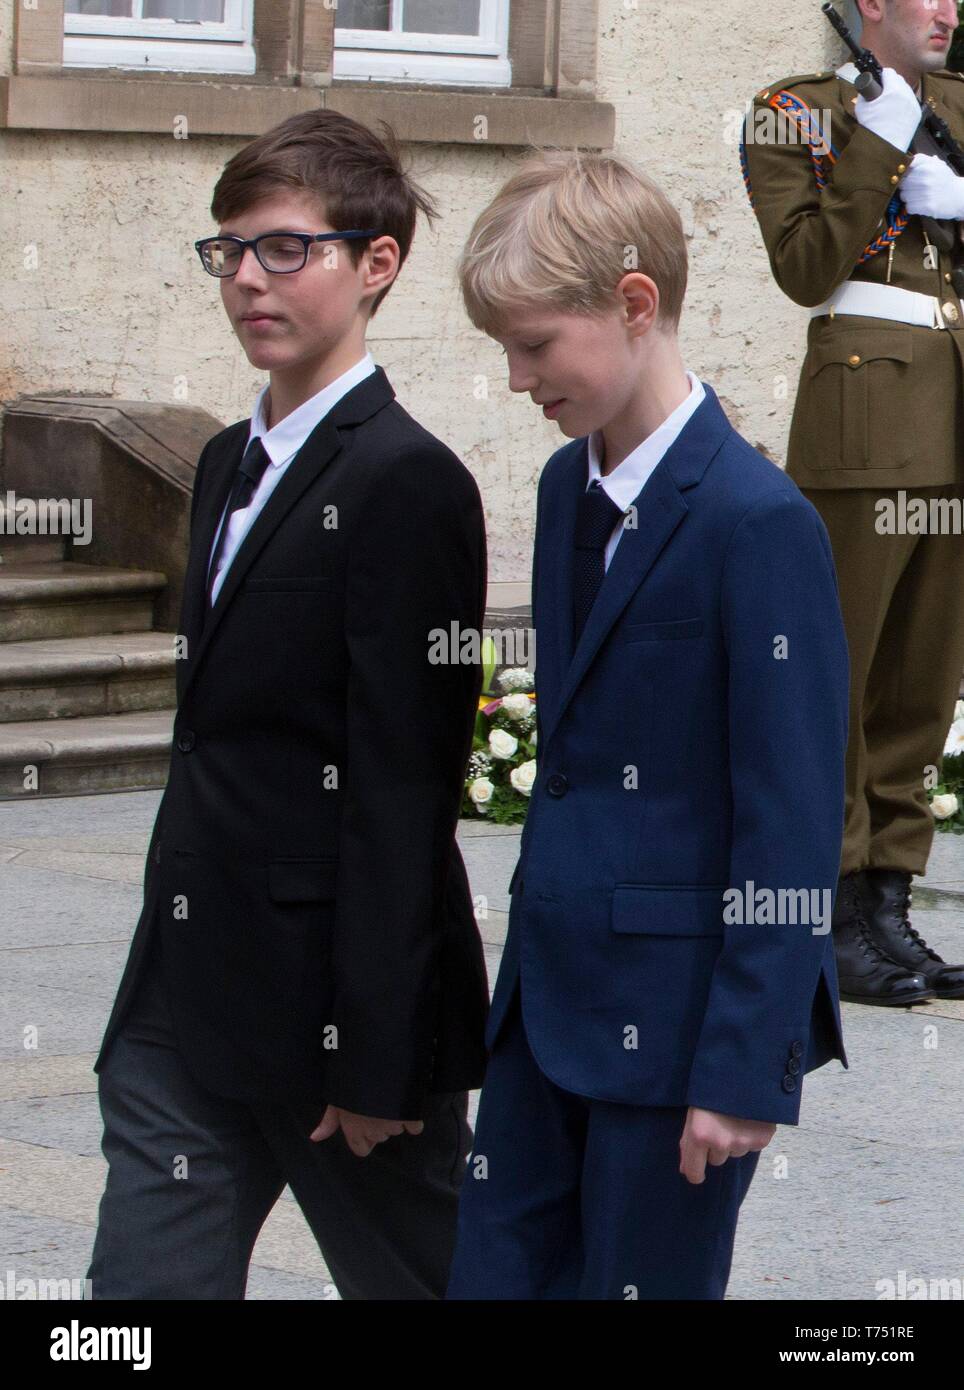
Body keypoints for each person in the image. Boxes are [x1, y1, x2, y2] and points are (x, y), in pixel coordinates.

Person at [86, 109, 489, 1300]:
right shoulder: (218, 462)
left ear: (376, 265)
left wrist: (376, 1057)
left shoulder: (408, 481)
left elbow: (401, 787)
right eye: (228, 253)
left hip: (334, 1017)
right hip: (182, 992)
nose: (247, 280)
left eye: (283, 249)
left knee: (431, 1284)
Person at [445, 150, 850, 1301]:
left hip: (675, 1046)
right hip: (542, 1018)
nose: (519, 379)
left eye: (533, 345)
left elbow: (790, 816)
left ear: (633, 305)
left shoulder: (757, 521)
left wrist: (744, 1067)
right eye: (504, 351)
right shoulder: (561, 490)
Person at [741, 0, 964, 1006]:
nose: (949, 11)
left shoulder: (960, 105)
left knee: (922, 680)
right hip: (866, 418)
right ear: (868, 3)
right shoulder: (792, 112)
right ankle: (829, 912)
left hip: (955, 421)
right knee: (844, 665)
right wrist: (876, 146)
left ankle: (885, 904)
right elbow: (804, 269)